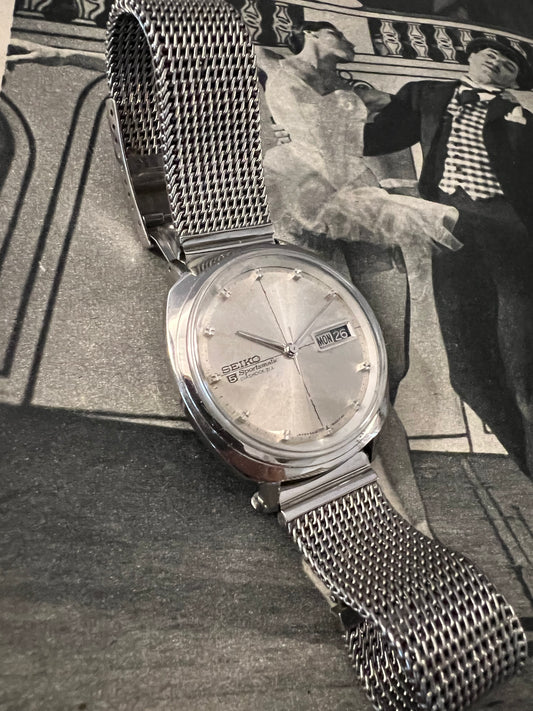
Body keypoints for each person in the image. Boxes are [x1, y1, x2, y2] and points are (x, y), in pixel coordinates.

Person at [261, 21, 463, 534]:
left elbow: (421, 110)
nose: (350, 43)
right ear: (312, 33)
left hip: (362, 201)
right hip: (300, 196)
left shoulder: (359, 92)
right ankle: (351, 502)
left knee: (391, 365)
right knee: (320, 357)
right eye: (340, 35)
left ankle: (404, 514)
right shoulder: (271, 65)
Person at [364, 38, 533, 477]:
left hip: (512, 236)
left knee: (525, 377)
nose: (498, 61)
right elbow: (375, 139)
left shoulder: (522, 116)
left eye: (510, 64)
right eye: (490, 53)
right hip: (451, 234)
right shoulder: (429, 95)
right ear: (470, 57)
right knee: (468, 374)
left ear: (514, 81)